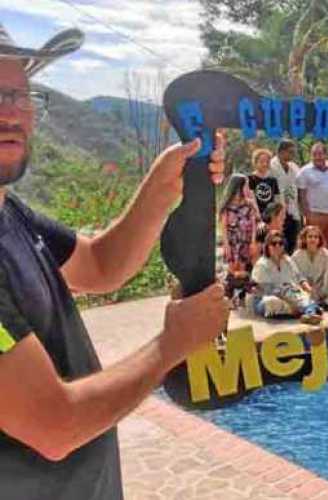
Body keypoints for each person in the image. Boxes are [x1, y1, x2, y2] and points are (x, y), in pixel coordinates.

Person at [0, 25, 229, 500]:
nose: (12, 114)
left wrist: (165, 184)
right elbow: (54, 424)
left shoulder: (10, 213)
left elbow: (101, 265)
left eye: (22, 96)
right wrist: (171, 344)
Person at [248, 230, 323, 324]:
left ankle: (309, 314)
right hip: (267, 297)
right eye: (274, 243)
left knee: (305, 297)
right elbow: (265, 289)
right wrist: (289, 299)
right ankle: (306, 310)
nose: (277, 246)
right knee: (272, 302)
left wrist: (308, 288)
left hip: (289, 293)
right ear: (267, 246)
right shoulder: (261, 264)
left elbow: (299, 277)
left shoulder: (288, 260)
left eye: (280, 243)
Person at [219, 174, 260, 303]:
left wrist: (253, 242)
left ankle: (241, 297)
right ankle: (228, 297)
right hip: (232, 241)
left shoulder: (249, 204)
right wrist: (226, 246)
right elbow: (224, 227)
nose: (248, 187)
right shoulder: (227, 205)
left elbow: (254, 223)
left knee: (243, 269)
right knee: (232, 269)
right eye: (246, 185)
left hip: (245, 240)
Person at [297, 142, 328, 253]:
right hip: (315, 214)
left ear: (325, 155)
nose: (317, 157)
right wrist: (307, 215)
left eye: (320, 154)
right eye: (314, 154)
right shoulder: (304, 172)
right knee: (314, 246)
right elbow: (301, 195)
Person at [269, 139, 302, 252]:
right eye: (291, 152)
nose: (293, 155)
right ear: (281, 152)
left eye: (294, 152)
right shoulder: (271, 166)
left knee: (292, 242)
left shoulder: (294, 167)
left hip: (293, 210)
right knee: (278, 242)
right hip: (277, 211)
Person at [291, 225, 328, 301]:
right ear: (304, 239)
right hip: (302, 290)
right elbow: (295, 276)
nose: (313, 239)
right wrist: (307, 289)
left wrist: (320, 292)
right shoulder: (296, 256)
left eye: (316, 237)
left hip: (322, 290)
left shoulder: (327, 255)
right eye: (310, 236)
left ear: (319, 240)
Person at [248, 148, 280, 219]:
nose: (265, 164)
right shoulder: (250, 178)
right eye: (262, 162)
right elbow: (251, 197)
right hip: (255, 215)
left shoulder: (273, 180)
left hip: (271, 215)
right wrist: (257, 214)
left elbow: (276, 199)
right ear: (255, 162)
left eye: (267, 162)